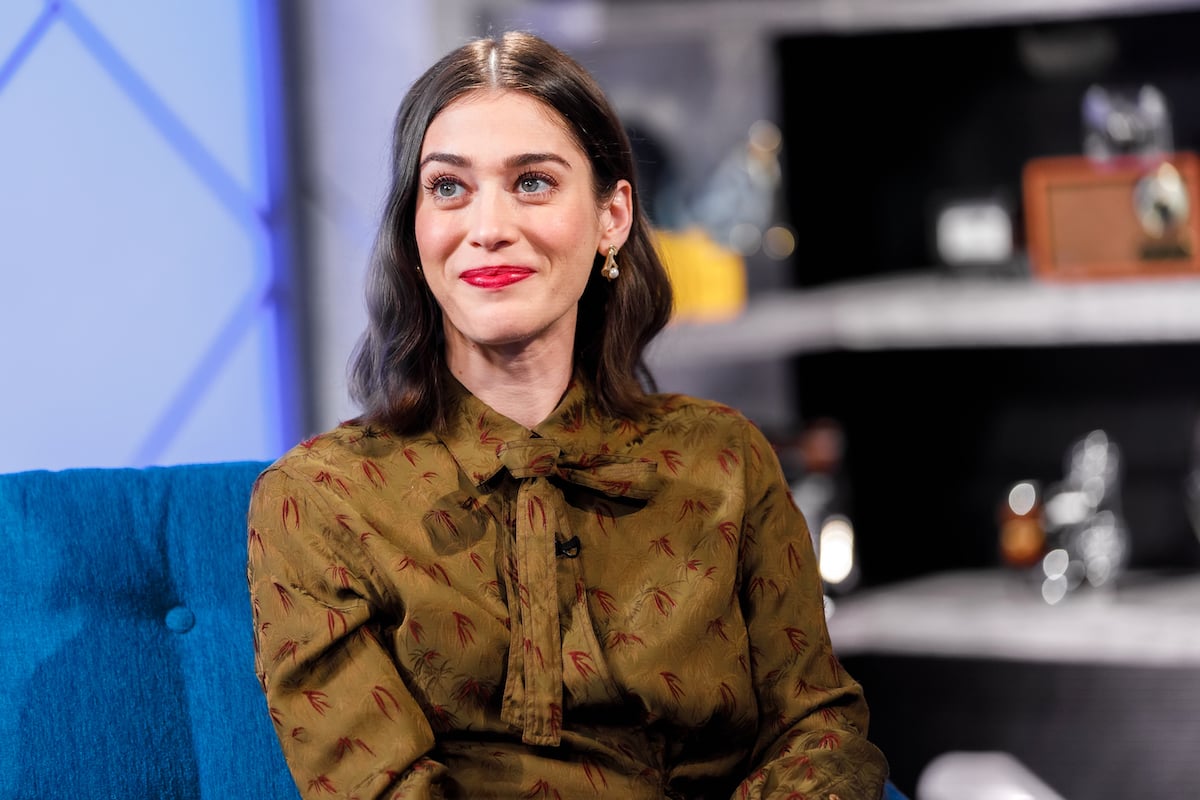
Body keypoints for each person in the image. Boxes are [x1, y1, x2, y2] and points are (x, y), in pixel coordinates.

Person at [246, 29, 892, 800]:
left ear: (613, 215)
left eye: (532, 183)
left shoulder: (725, 460)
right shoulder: (318, 501)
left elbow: (821, 733)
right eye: (449, 187)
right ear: (414, 231)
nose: (487, 227)